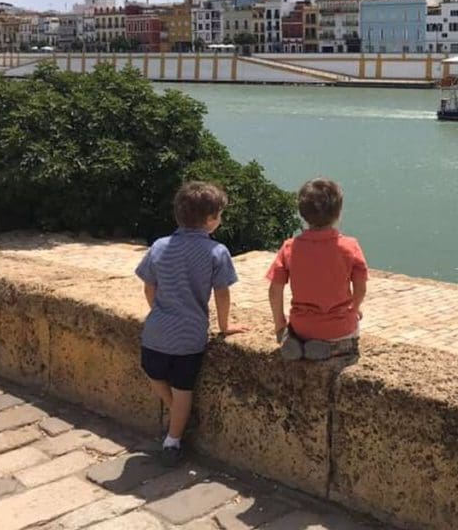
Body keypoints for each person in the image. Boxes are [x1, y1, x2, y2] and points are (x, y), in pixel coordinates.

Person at [136, 181, 245, 467]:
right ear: (210, 220)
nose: (220, 220)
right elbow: (222, 293)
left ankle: (175, 413)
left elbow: (149, 286)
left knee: (152, 371)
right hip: (189, 338)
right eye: (219, 215)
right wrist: (224, 326)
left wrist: (159, 310)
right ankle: (173, 439)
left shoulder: (160, 246)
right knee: (184, 391)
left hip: (155, 331)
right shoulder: (217, 252)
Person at [267, 178, 367, 361]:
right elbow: (360, 285)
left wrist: (279, 323)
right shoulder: (349, 247)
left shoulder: (290, 247)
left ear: (302, 213)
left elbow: (275, 290)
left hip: (302, 327)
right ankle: (332, 349)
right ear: (339, 213)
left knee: (293, 333)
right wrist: (355, 307)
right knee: (350, 340)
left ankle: (295, 341)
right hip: (340, 327)